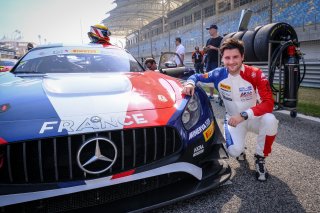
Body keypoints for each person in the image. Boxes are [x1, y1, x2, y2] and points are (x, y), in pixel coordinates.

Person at [182, 38, 279, 182]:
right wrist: (190, 83)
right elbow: (196, 76)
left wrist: (244, 114)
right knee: (234, 151)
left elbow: (268, 103)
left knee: (270, 120)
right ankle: (240, 150)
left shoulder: (255, 73)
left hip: (252, 117)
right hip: (234, 120)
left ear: (242, 57)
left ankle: (260, 157)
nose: (231, 61)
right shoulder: (218, 74)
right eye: (227, 58)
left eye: (235, 57)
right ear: (222, 58)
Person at [205, 24, 223, 99]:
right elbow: (206, 51)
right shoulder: (208, 40)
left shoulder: (221, 39)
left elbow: (222, 50)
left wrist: (213, 48)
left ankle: (221, 95)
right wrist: (205, 49)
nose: (209, 31)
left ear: (215, 30)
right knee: (209, 78)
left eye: (210, 29)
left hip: (216, 61)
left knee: (217, 78)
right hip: (209, 61)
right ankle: (211, 95)